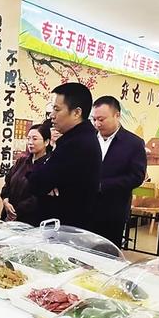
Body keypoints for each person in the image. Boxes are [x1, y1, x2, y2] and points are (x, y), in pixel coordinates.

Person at [27, 82, 102, 230]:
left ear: (76, 113)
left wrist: (45, 182)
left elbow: (37, 184)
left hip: (64, 229)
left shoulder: (76, 144)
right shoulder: (80, 138)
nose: (51, 115)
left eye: (57, 109)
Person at [90, 96, 147, 246]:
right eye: (94, 119)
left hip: (113, 211)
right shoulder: (88, 139)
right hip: (85, 207)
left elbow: (137, 176)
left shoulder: (133, 143)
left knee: (106, 252)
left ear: (117, 115)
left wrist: (103, 185)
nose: (97, 124)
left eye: (101, 119)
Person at [0, 123, 51, 226]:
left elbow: (38, 197)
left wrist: (15, 211)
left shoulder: (49, 165)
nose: (30, 142)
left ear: (46, 142)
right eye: (28, 138)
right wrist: (5, 201)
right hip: (8, 217)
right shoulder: (21, 161)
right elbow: (8, 182)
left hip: (30, 221)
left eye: (35, 139)